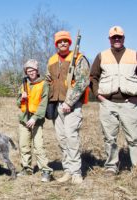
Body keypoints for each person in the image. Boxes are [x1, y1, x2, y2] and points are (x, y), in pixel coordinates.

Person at [90, 26, 137, 176]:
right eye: (114, 37)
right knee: (110, 137)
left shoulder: (134, 55)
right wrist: (98, 95)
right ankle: (111, 166)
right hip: (108, 103)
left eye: (119, 37)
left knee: (134, 137)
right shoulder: (101, 56)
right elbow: (93, 77)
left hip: (130, 103)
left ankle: (135, 166)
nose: (117, 39)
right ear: (109, 39)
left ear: (124, 38)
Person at [46, 31, 90, 184]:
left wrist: (69, 102)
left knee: (71, 137)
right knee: (61, 139)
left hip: (72, 105)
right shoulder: (51, 60)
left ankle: (76, 172)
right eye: (60, 41)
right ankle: (67, 171)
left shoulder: (79, 58)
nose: (63, 43)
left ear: (70, 43)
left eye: (65, 41)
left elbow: (83, 81)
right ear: (56, 44)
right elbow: (47, 80)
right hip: (56, 104)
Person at [17, 59, 53, 182]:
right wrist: (22, 98)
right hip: (23, 119)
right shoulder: (23, 84)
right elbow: (17, 103)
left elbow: (43, 104)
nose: (31, 72)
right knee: (24, 145)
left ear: (37, 71)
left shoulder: (44, 84)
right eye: (28, 70)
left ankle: (46, 171)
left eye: (33, 70)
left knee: (39, 146)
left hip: (36, 120)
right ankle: (26, 168)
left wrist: (34, 118)